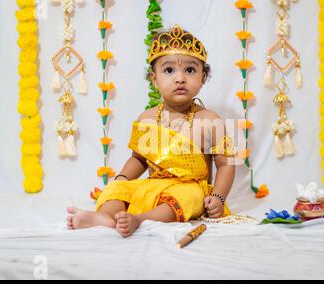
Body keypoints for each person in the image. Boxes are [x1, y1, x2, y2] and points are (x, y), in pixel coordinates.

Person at [67, 25, 236, 237]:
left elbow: (225, 164)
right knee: (117, 189)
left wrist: (218, 198)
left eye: (190, 70)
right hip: (153, 186)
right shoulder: (147, 118)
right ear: (154, 79)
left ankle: (139, 219)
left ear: (203, 78)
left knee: (187, 196)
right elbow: (138, 159)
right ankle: (104, 217)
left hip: (191, 187)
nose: (180, 78)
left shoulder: (211, 120)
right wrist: (122, 178)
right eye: (169, 70)